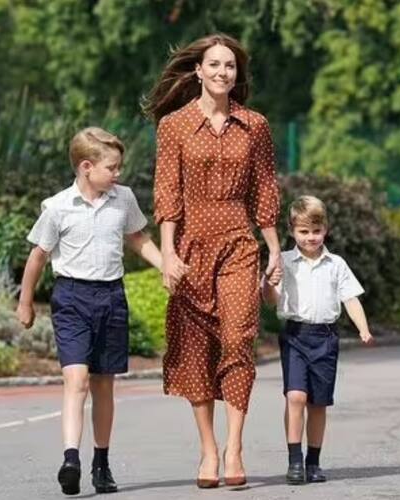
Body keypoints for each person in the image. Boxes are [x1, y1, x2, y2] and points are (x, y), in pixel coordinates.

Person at [143, 33, 282, 488]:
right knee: (195, 348)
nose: (223, 72)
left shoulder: (255, 125)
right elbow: (167, 193)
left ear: (236, 75)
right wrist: (167, 253)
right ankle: (207, 450)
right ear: (198, 71)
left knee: (239, 335)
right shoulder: (174, 126)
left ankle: (235, 445)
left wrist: (275, 248)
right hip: (190, 246)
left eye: (230, 66)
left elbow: (264, 189)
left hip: (240, 242)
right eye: (215, 65)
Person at [15, 127, 162, 495]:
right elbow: (38, 256)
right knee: (76, 380)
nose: (118, 173)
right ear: (86, 167)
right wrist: (25, 300)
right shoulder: (58, 208)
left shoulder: (123, 198)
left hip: (111, 297)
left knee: (103, 384)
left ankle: (101, 461)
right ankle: (71, 459)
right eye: (112, 167)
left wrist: (166, 266)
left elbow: (138, 238)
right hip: (71, 299)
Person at [261, 195, 374, 485]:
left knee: (318, 403)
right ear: (291, 231)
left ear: (325, 229)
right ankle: (294, 460)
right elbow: (271, 300)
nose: (310, 237)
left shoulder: (336, 264)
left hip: (325, 337)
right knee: (295, 396)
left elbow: (350, 298)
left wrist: (363, 328)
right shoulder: (283, 262)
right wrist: (268, 284)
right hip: (295, 335)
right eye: (303, 232)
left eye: (316, 231)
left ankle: (313, 460)